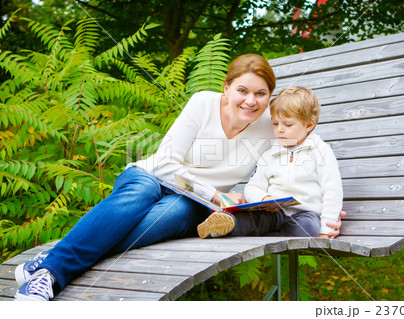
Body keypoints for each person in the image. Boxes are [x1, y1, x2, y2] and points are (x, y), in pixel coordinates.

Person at [14, 54, 343, 301]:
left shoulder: (268, 127)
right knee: (139, 197)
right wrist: (215, 194)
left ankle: (58, 255)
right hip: (152, 177)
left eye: (261, 94)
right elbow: (167, 163)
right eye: (242, 90)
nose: (250, 100)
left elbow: (296, 157)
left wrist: (318, 206)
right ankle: (52, 274)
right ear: (226, 88)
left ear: (269, 96)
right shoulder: (203, 103)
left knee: (175, 214)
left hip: (192, 202)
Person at [197, 86, 343, 239]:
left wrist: (326, 229)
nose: (279, 130)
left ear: (308, 125)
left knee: (308, 227)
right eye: (275, 123)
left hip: (305, 213)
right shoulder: (270, 154)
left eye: (287, 125)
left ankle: (261, 234)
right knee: (258, 219)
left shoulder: (320, 151)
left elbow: (332, 190)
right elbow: (253, 186)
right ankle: (224, 225)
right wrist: (264, 198)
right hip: (274, 212)